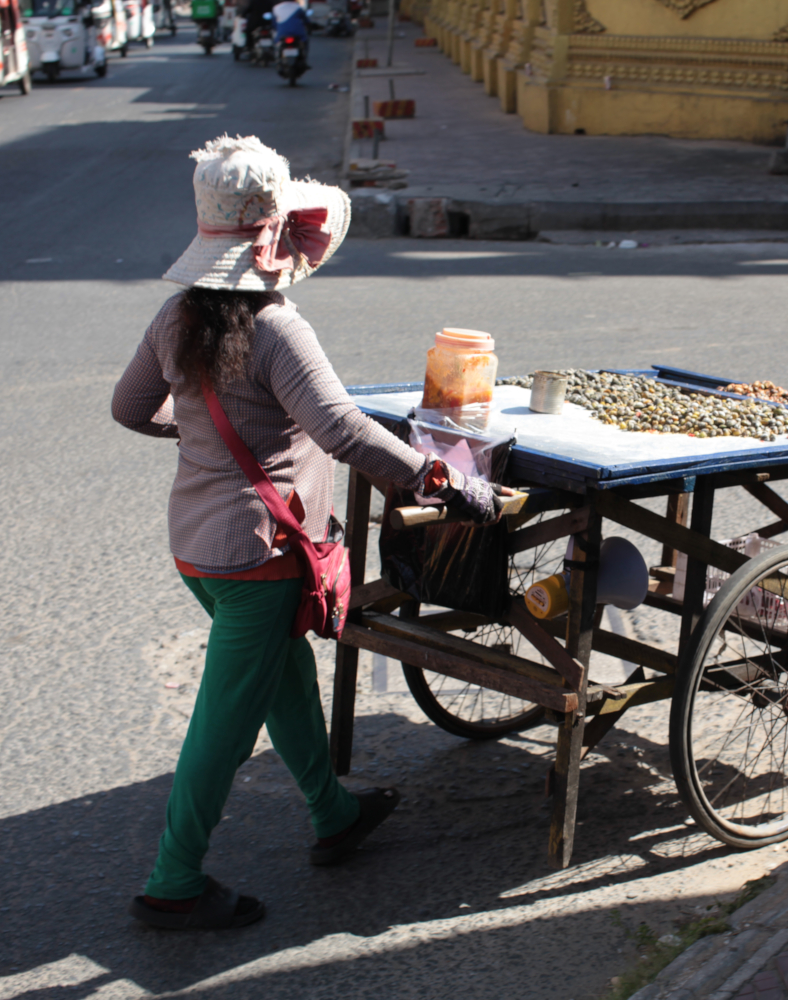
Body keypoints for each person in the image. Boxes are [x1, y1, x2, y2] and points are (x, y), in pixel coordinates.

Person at [112, 134, 506, 930]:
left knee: (281, 681)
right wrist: (445, 481)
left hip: (198, 550)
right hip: (260, 557)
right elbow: (344, 431)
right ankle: (173, 881)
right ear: (277, 231)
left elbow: (129, 408)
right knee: (222, 728)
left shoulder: (177, 313)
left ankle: (333, 813)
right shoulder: (278, 328)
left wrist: (197, 442)